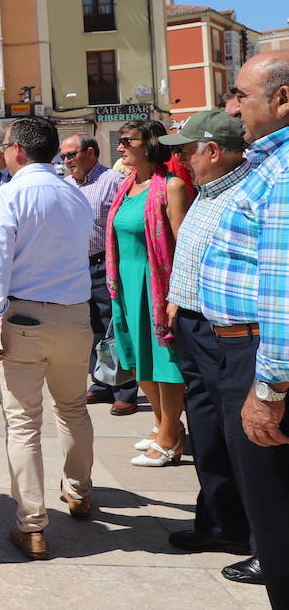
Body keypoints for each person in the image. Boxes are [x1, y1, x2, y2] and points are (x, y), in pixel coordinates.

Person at [0, 117, 95, 561]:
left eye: (6, 146)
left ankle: (32, 525)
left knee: (23, 422)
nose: (3, 153)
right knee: (73, 409)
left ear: (19, 151)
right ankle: (79, 491)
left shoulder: (11, 194)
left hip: (27, 316)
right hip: (75, 314)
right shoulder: (74, 193)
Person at [158, 111, 259, 586]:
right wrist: (178, 299)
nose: (180, 158)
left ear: (214, 151)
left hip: (229, 331)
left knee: (242, 437)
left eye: (186, 149)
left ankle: (262, 541)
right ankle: (221, 523)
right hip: (196, 326)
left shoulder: (246, 193)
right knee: (207, 429)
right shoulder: (209, 191)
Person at [205, 51, 289, 601]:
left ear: (282, 99)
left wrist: (269, 387)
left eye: (241, 95)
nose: (231, 106)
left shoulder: (282, 171)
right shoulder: (268, 162)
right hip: (246, 352)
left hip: (260, 355)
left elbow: (282, 288)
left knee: (277, 526)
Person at [105, 120, 192, 467]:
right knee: (140, 362)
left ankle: (171, 437)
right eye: (121, 141)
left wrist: (177, 295)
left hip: (156, 284)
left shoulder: (171, 186)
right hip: (126, 284)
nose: (121, 146)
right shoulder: (127, 186)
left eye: (128, 141)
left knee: (164, 364)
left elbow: (182, 243)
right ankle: (163, 425)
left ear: (150, 145)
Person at [60, 134, 138, 415]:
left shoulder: (112, 182)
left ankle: (125, 390)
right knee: (91, 325)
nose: (67, 162)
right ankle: (102, 382)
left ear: (91, 153)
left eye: (71, 155)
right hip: (78, 266)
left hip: (107, 263)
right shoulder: (66, 186)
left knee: (114, 326)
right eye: (64, 157)